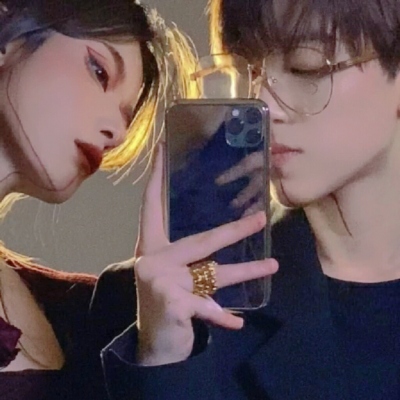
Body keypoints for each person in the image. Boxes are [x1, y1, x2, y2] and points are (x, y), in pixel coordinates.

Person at [89, 0, 400, 399]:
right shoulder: (164, 304)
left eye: (305, 67)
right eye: (248, 73)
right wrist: (163, 356)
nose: (263, 103)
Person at [0, 0, 197, 398]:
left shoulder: (80, 312)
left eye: (127, 116)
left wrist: (162, 351)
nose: (120, 135)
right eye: (99, 71)